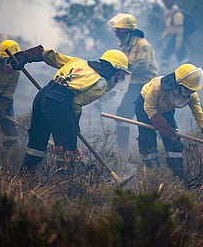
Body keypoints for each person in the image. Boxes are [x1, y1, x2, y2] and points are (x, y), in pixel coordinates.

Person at [9, 45, 131, 173]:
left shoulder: (80, 62)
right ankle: (64, 184)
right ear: (114, 71)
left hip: (42, 96)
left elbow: (51, 56)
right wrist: (74, 124)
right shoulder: (101, 84)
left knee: (36, 144)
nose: (120, 79)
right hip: (58, 104)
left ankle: (25, 178)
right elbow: (76, 104)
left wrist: (25, 56)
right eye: (121, 75)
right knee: (67, 149)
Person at [134, 63, 203, 179]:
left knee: (173, 141)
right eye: (188, 90)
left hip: (166, 109)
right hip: (145, 105)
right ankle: (152, 175)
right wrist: (164, 128)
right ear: (178, 85)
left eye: (192, 90)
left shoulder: (192, 96)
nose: (191, 93)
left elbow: (200, 115)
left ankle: (178, 176)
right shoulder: (157, 88)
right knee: (147, 139)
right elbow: (149, 107)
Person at [107, 13, 158, 150]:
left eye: (119, 29)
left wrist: (125, 68)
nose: (116, 32)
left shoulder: (143, 45)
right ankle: (123, 151)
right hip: (133, 85)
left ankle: (150, 150)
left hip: (146, 86)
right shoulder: (125, 45)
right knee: (122, 115)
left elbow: (142, 67)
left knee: (145, 118)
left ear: (128, 30)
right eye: (115, 29)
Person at [160, 0, 187, 70]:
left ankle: (188, 73)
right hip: (172, 37)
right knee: (166, 56)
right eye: (165, 2)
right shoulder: (168, 13)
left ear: (172, 2)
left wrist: (178, 45)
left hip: (177, 38)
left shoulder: (177, 14)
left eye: (168, 2)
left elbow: (179, 31)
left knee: (181, 58)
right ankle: (164, 72)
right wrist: (163, 37)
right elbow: (168, 28)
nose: (166, 4)